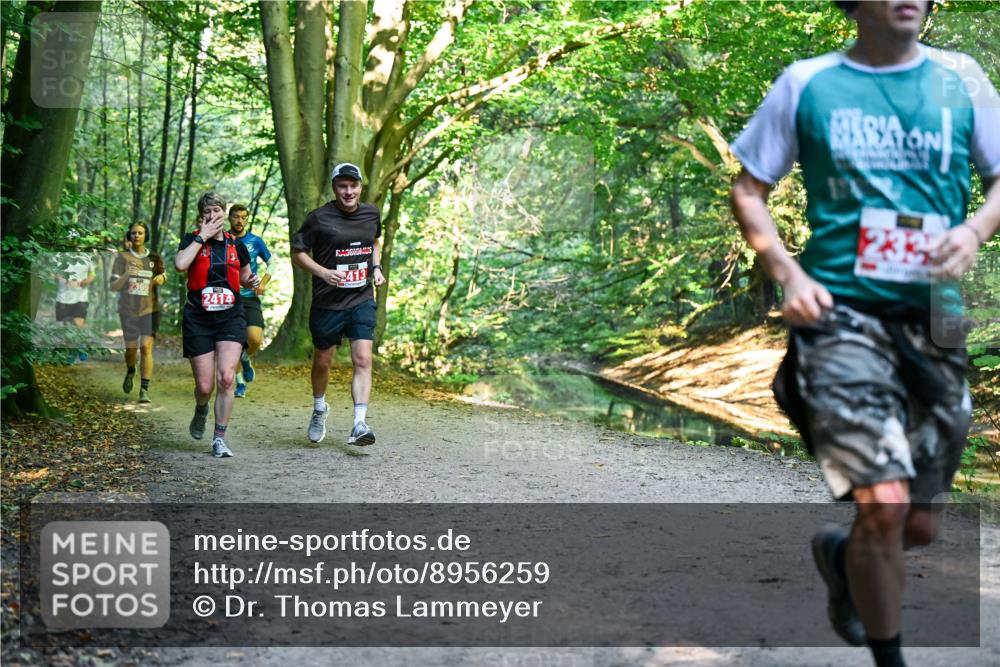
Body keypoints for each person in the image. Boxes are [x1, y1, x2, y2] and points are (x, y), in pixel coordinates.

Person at [730, 2, 1000, 665]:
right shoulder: (808, 82)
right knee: (885, 504)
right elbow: (748, 188)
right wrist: (788, 274)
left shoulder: (961, 79)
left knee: (920, 523)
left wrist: (972, 230)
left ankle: (840, 555)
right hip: (838, 316)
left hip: (934, 318)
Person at [291, 163, 386, 445]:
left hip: (361, 297)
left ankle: (359, 423)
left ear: (360, 187)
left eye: (353, 186)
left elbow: (375, 242)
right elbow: (298, 252)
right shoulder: (318, 218)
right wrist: (322, 272)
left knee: (363, 359)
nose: (348, 191)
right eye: (342, 186)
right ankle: (320, 407)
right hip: (328, 301)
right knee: (323, 361)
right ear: (334, 188)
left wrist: (376, 267)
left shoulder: (371, 213)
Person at [175, 193, 260, 458]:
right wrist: (202, 236)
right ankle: (201, 409)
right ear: (202, 215)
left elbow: (245, 276)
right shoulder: (192, 239)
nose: (213, 215)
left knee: (225, 377)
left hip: (230, 316)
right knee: (204, 387)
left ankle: (219, 439)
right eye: (208, 211)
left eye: (217, 210)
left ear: (224, 213)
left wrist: (251, 282)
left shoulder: (237, 244)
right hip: (198, 316)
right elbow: (179, 265)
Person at [109, 222, 166, 403]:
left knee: (146, 347)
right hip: (129, 310)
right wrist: (127, 274)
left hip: (150, 309)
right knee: (131, 349)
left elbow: (163, 276)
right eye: (133, 233)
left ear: (145, 235)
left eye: (140, 233)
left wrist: (160, 278)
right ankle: (131, 370)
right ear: (129, 235)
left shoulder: (154, 257)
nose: (136, 236)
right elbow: (113, 286)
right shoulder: (122, 258)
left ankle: (144, 389)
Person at [228, 204, 273, 398]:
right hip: (227, 299)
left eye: (243, 217)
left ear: (247, 219)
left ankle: (246, 358)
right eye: (236, 217)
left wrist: (263, 283)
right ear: (229, 218)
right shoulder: (223, 239)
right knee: (233, 343)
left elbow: (272, 262)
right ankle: (239, 383)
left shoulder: (255, 241)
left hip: (249, 297)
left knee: (254, 338)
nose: (240, 220)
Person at [54, 250, 96, 361]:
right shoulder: (60, 255)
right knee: (67, 328)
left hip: (81, 298)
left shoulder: (86, 257)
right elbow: (56, 275)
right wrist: (65, 280)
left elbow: (92, 274)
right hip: (64, 298)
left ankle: (80, 348)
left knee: (78, 326)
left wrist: (85, 282)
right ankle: (70, 354)